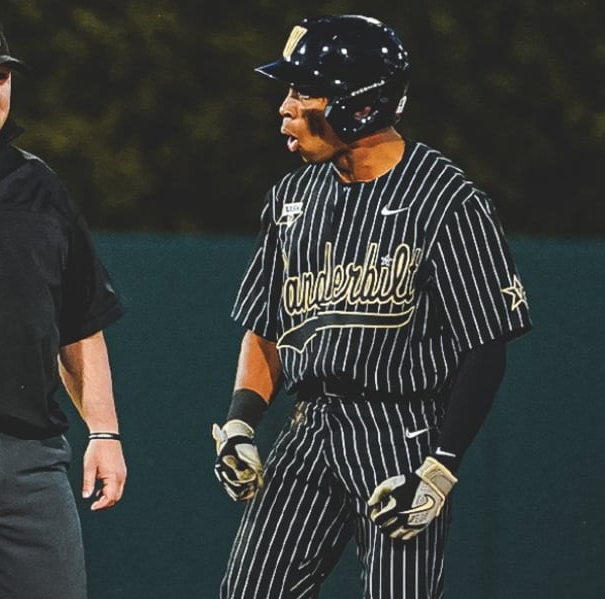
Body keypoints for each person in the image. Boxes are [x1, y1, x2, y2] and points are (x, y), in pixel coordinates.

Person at [212, 14, 532, 599]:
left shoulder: (445, 200)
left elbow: (485, 348)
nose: (284, 106)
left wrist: (439, 468)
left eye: (302, 90)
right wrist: (239, 422)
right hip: (309, 428)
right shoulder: (291, 197)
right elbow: (265, 327)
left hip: (401, 434)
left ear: (359, 104)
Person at [0, 11, 126, 599]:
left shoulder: (40, 185)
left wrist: (104, 433)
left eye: (0, 78)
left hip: (33, 458)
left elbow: (79, 320)